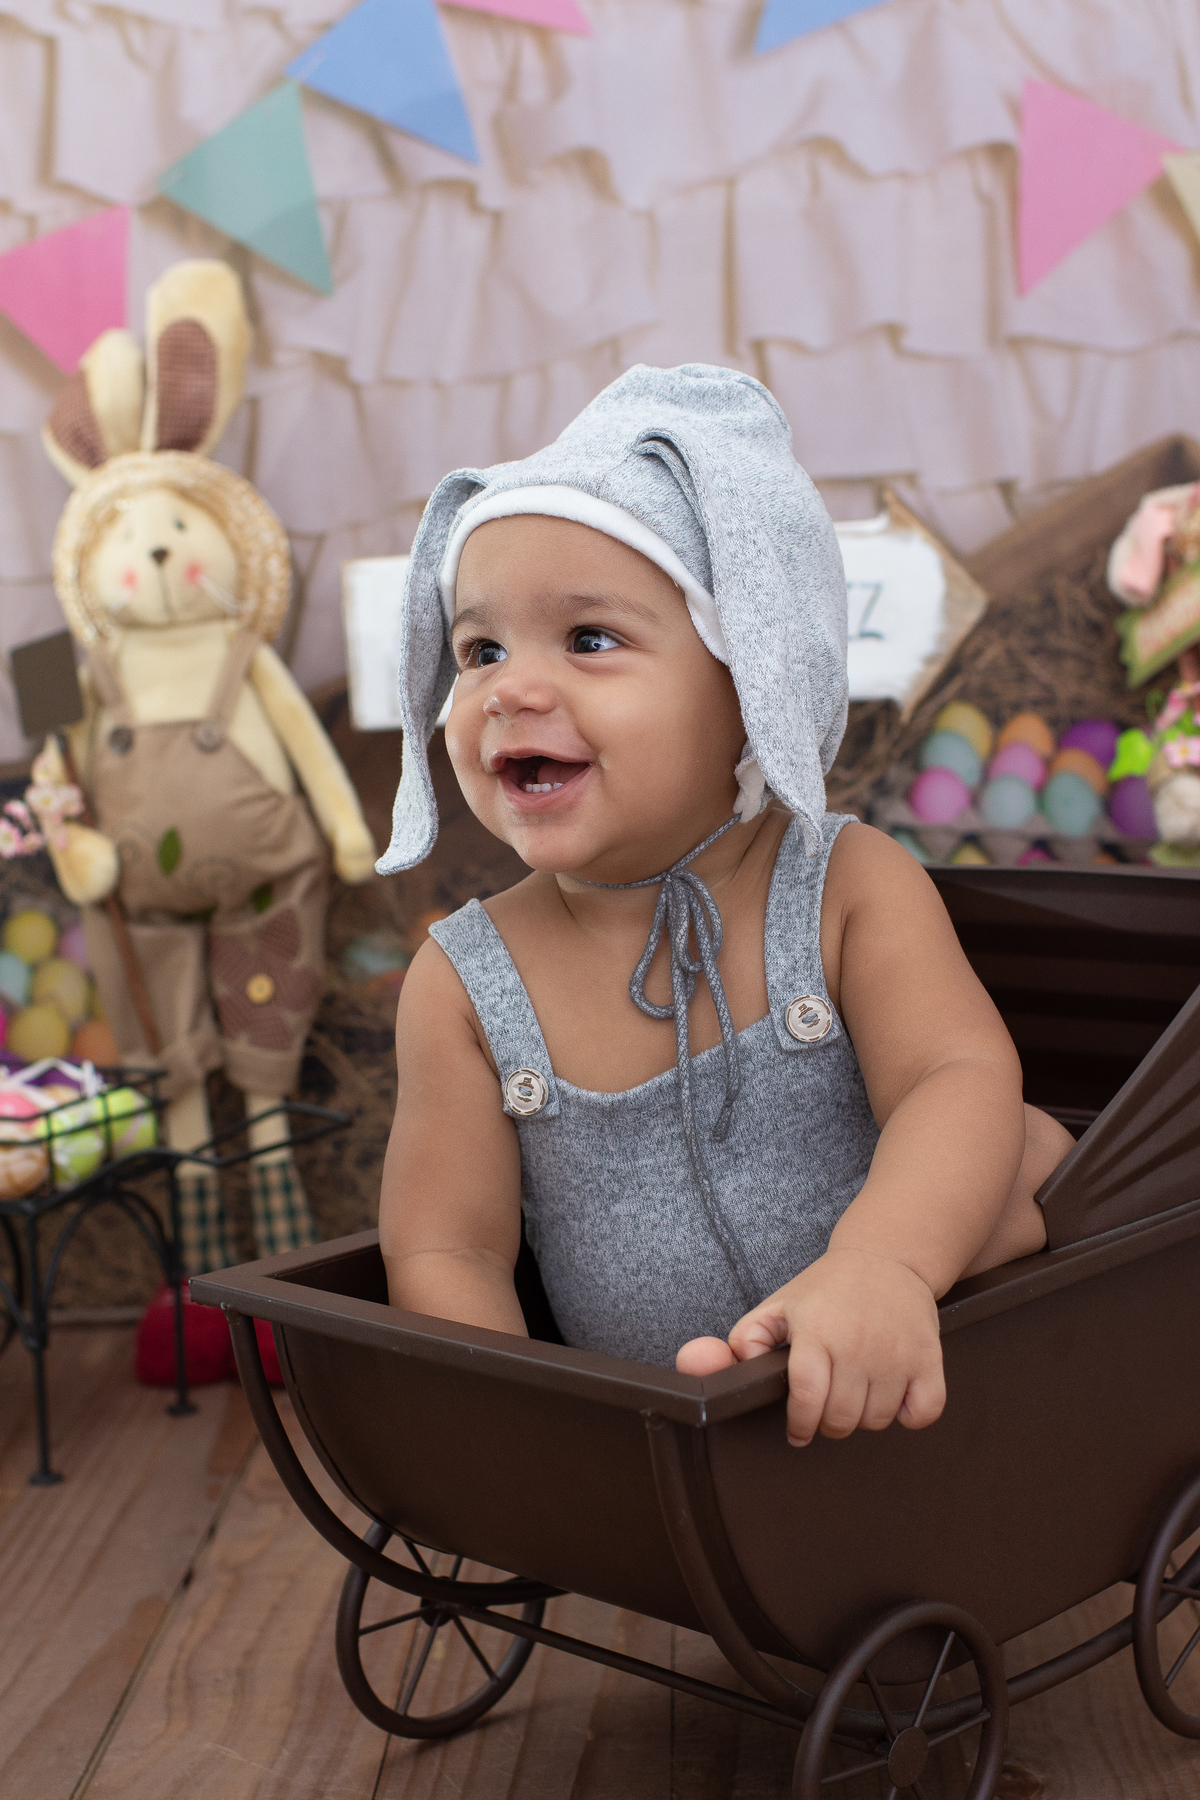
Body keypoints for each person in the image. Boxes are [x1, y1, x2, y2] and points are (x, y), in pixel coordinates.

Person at [376, 363, 1072, 1449]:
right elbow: (447, 1246)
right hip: (664, 1427)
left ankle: (950, 1250)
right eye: (480, 649)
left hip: (899, 1377)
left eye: (590, 638)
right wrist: (517, 1423)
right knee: (1012, 1171)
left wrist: (881, 1267)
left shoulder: (841, 884)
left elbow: (955, 1075)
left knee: (1010, 1154)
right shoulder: (465, 981)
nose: (510, 687)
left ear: (750, 680)